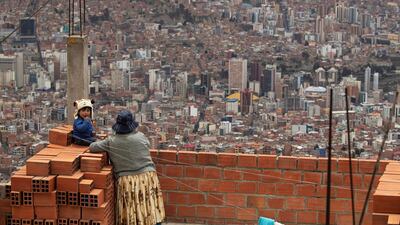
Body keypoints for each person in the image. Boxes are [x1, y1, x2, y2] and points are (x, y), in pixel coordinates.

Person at [89, 110, 165, 225]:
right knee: (150, 207)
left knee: (133, 212)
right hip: (148, 176)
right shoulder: (141, 136)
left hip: (127, 181)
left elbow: (92, 147)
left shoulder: (111, 141)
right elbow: (147, 145)